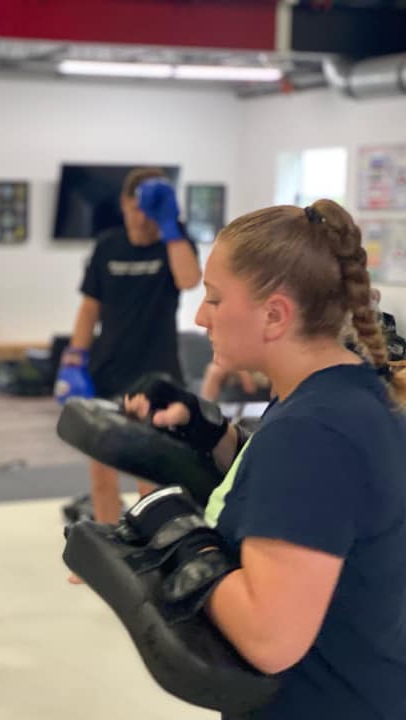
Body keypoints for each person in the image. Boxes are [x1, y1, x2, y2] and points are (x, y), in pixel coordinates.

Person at [124, 199, 406, 719]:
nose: (200, 316)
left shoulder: (313, 433)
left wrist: (168, 523)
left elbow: (269, 636)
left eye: (213, 298)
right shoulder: (341, 393)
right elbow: (306, 505)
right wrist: (213, 437)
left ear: (275, 314)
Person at [54, 168, 202, 522]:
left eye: (150, 210)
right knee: (102, 470)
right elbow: (90, 307)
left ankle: (153, 542)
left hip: (159, 372)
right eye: (137, 208)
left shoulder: (175, 242)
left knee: (150, 472)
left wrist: (169, 226)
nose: (142, 219)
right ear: (123, 204)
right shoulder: (108, 245)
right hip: (108, 369)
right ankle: (107, 543)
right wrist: (74, 359)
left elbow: (189, 279)